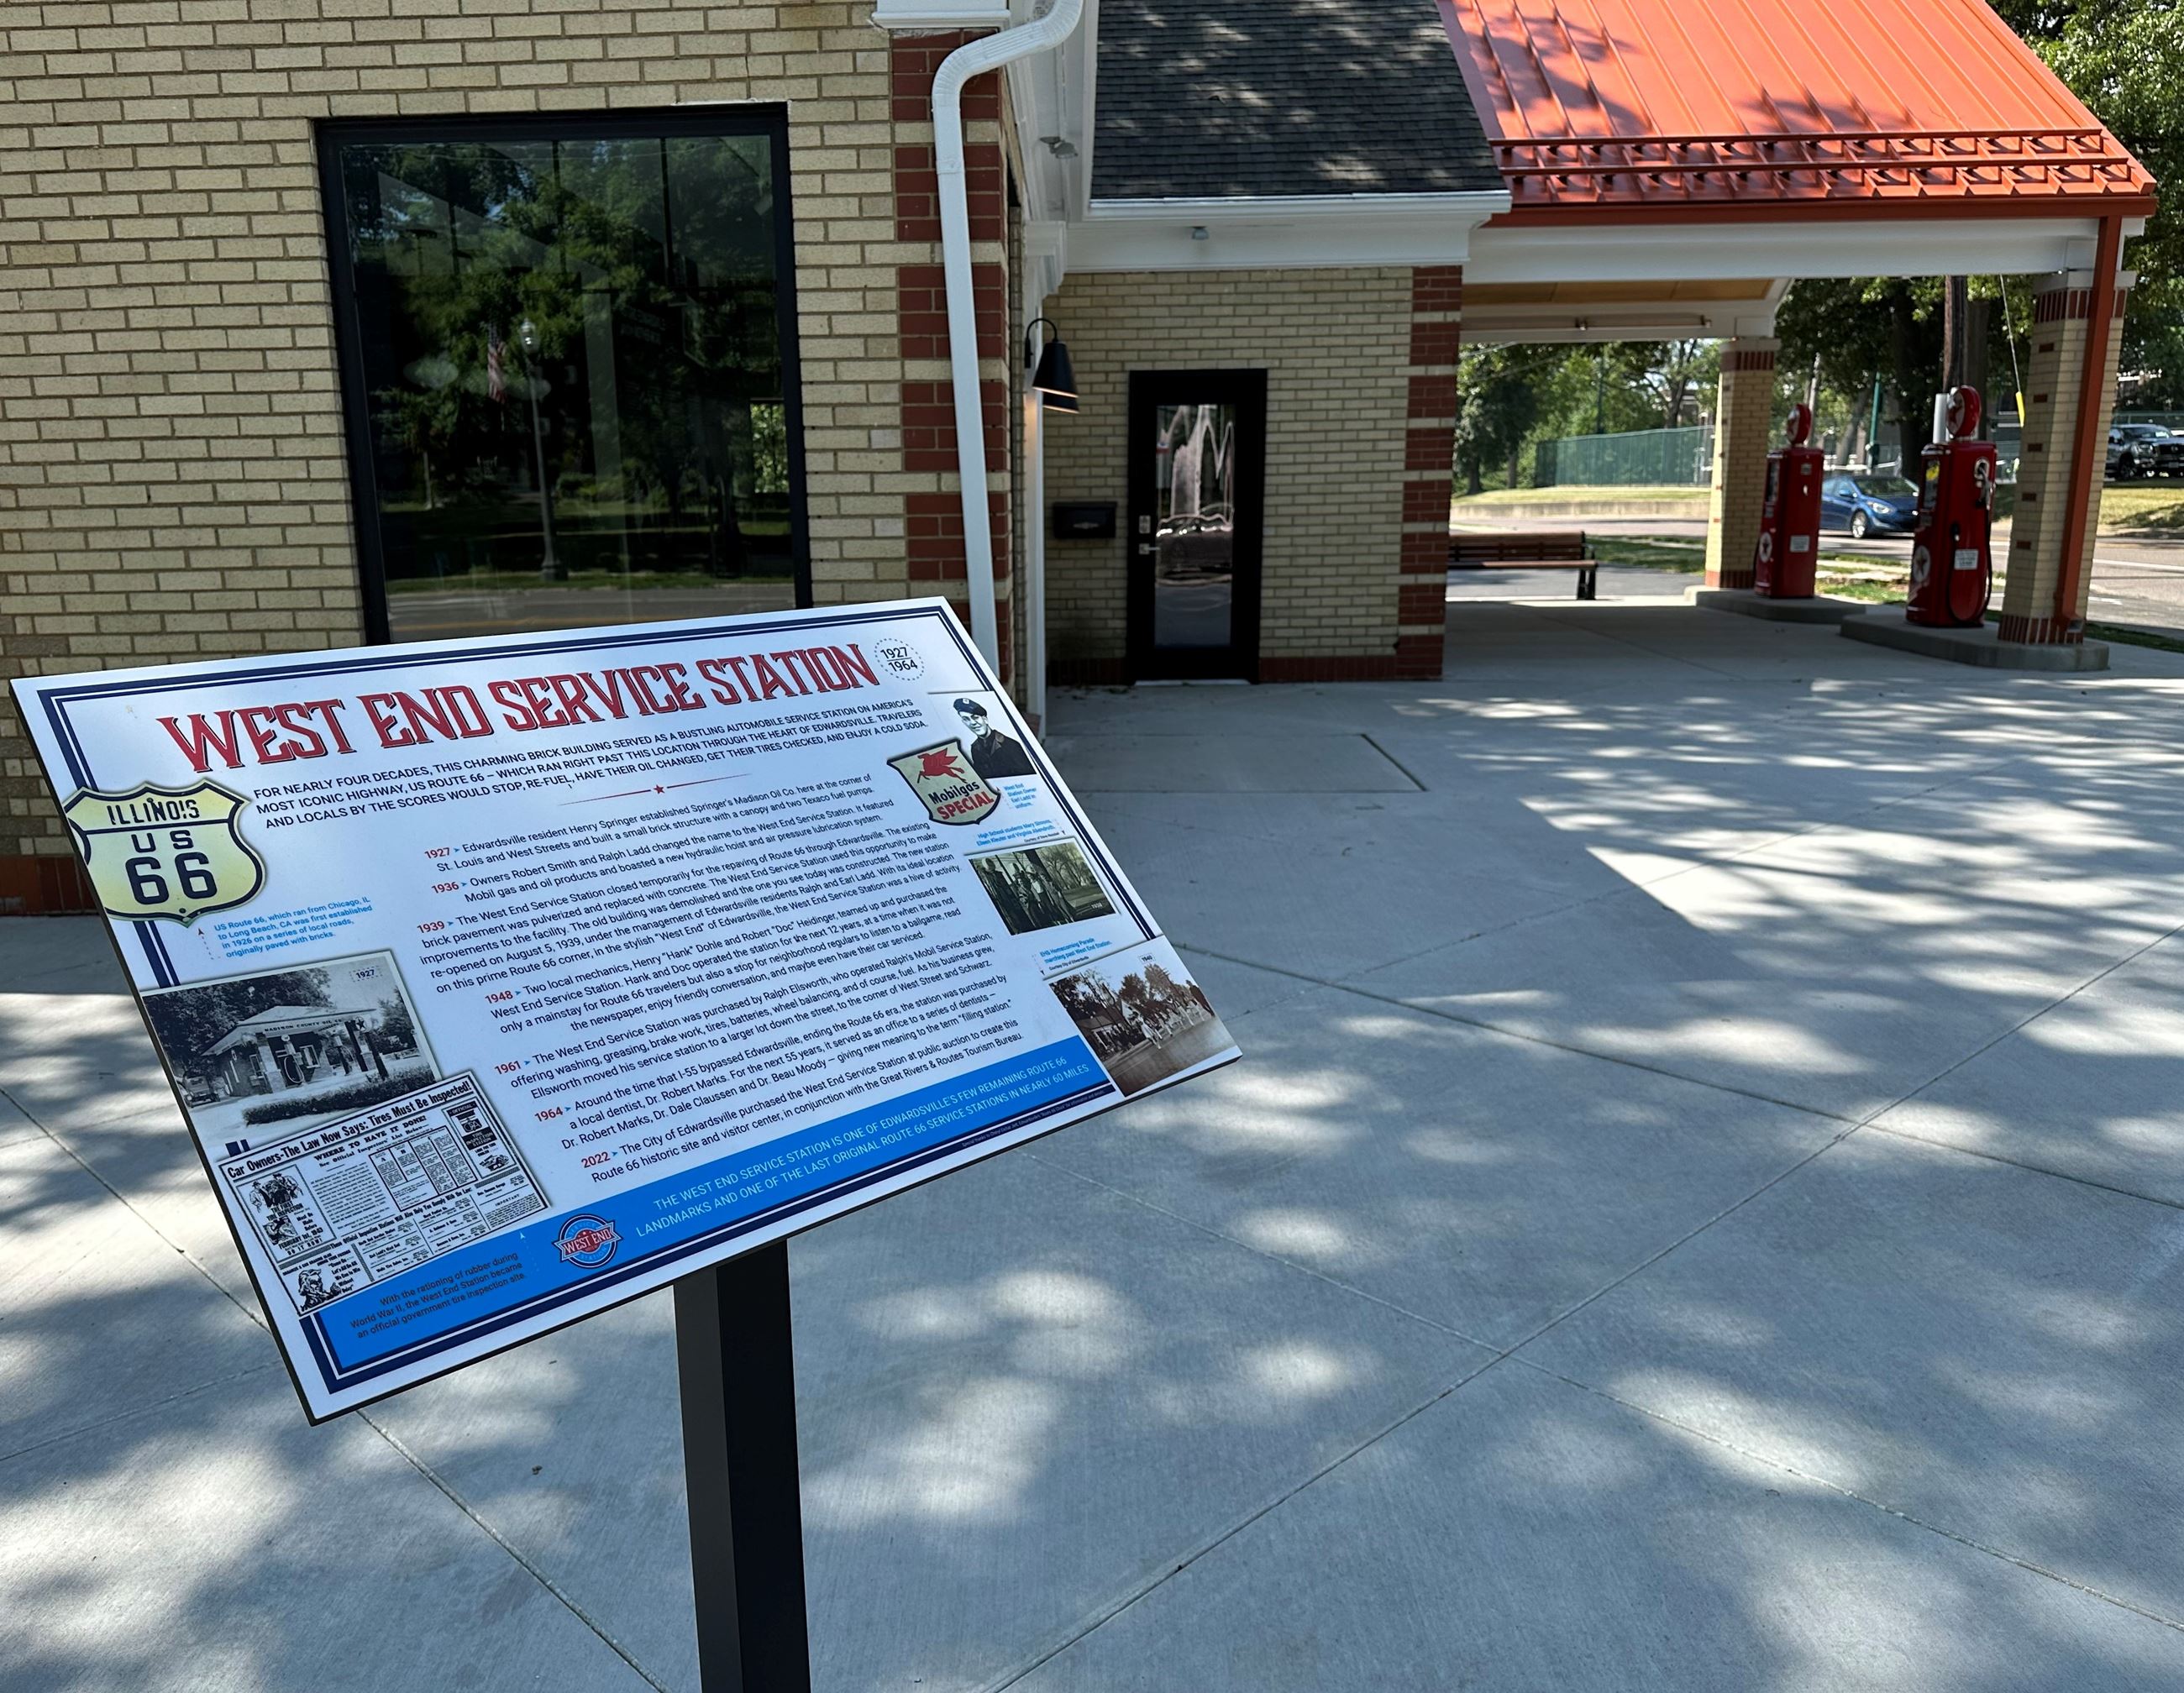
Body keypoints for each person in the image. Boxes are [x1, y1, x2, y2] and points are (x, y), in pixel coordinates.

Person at [955, 699, 1035, 779]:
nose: (972, 723)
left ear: (985, 719)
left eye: (975, 717)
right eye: (966, 719)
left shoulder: (1010, 745)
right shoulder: (975, 748)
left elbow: (1029, 777)